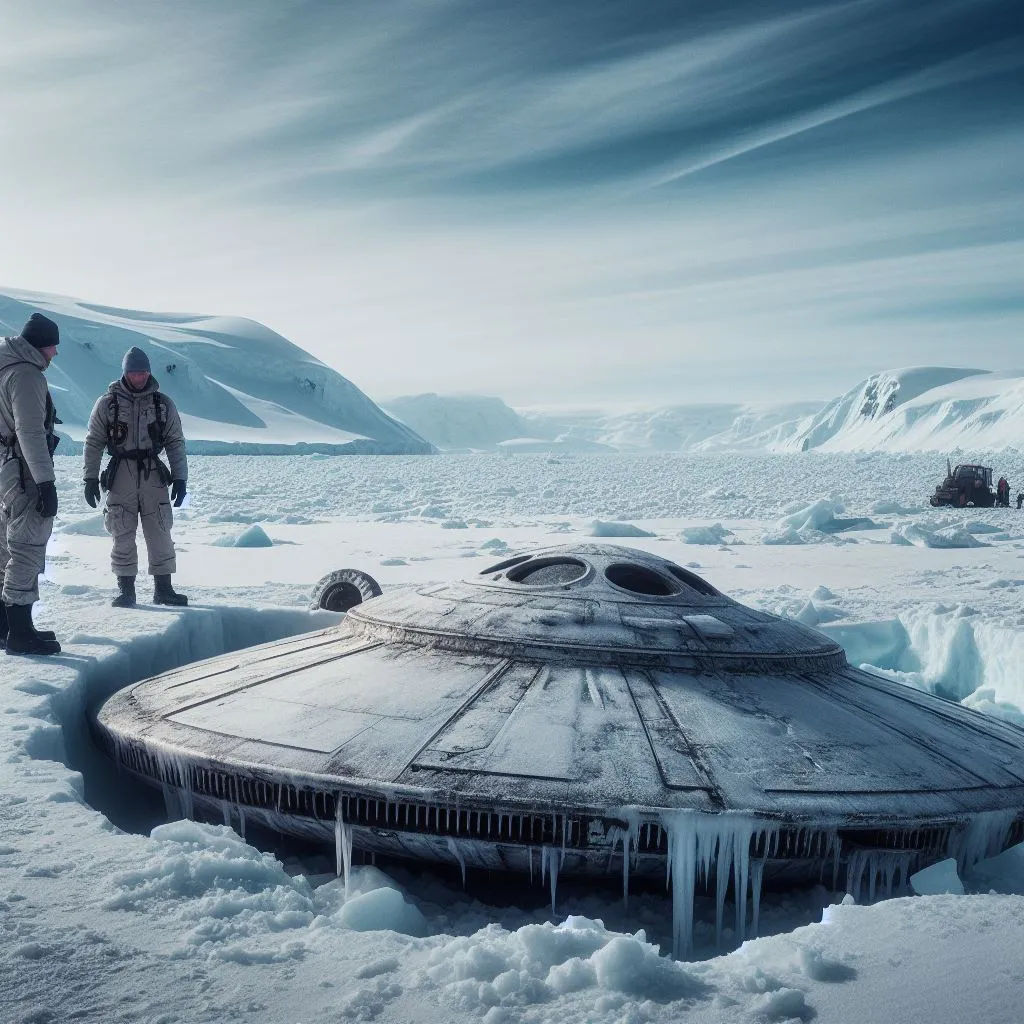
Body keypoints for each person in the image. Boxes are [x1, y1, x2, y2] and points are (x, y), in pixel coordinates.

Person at [83, 346, 189, 608]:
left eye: (142, 373)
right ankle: (126, 590)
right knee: (121, 531)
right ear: (125, 372)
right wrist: (90, 478)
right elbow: (93, 442)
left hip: (153, 474)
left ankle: (163, 589)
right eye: (134, 373)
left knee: (161, 531)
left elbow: (175, 442)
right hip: (121, 474)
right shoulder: (107, 404)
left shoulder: (163, 404)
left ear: (149, 373)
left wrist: (180, 478)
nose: (139, 378)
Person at [0, 313, 62, 655]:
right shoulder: (26, 374)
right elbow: (30, 431)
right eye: (53, 346)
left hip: (4, 468)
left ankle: (6, 627)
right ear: (41, 344)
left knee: (4, 546)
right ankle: (21, 634)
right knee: (26, 543)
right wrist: (45, 482)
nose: (54, 354)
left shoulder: (4, 367)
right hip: (23, 470)